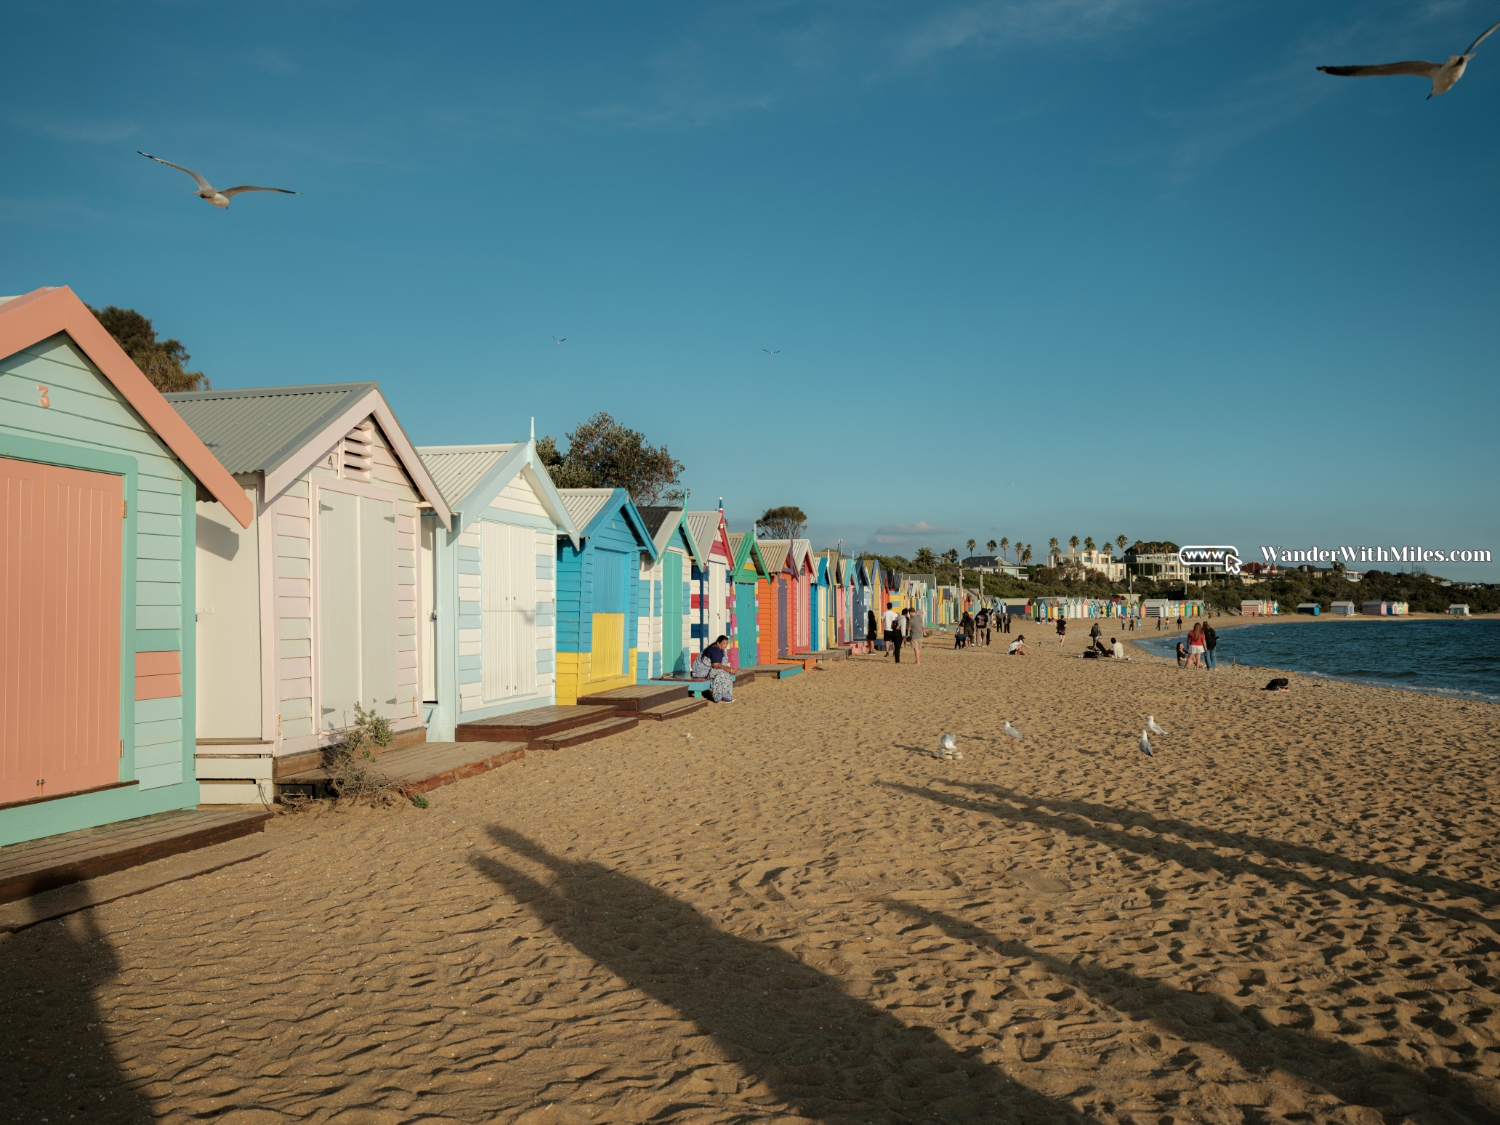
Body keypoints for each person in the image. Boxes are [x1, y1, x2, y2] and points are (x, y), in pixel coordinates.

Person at [691, 634, 736, 702]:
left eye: (726, 643)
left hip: (708, 669)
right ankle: (719, 697)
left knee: (726, 672)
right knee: (722, 673)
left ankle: (726, 696)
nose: (725, 645)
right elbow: (716, 665)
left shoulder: (720, 650)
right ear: (718, 643)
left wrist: (730, 669)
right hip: (701, 671)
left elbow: (722, 664)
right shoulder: (715, 650)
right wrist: (729, 670)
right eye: (723, 643)